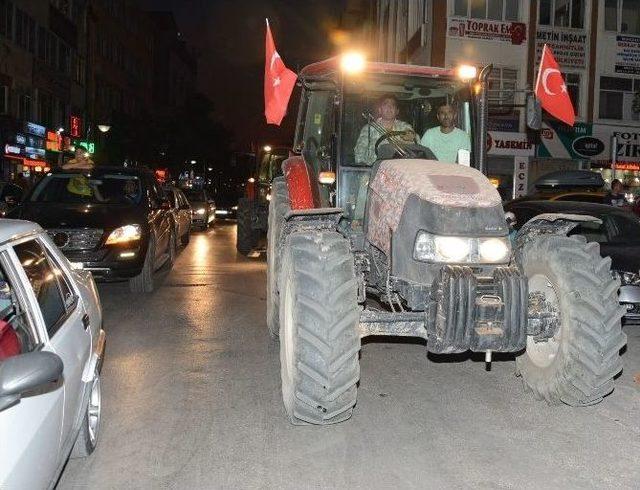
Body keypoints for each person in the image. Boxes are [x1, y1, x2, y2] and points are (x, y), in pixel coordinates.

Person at [354, 94, 416, 165]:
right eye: (385, 104)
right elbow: (359, 152)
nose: (389, 107)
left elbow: (413, 136)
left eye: (393, 105)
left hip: (399, 171)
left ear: (397, 111)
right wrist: (362, 169)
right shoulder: (369, 128)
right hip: (374, 170)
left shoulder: (404, 126)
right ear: (380, 110)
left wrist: (410, 136)